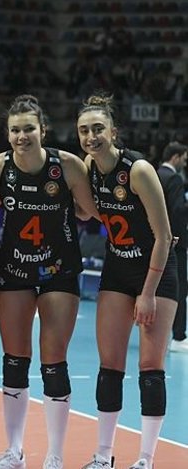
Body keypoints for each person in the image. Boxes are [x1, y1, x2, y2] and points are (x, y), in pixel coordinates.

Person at [0, 95, 98, 469]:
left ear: (42, 130)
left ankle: (54, 455)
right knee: (14, 359)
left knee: (54, 360)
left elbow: (91, 212)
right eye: (15, 130)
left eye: (29, 128)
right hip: (14, 269)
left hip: (58, 269)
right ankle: (14, 451)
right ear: (7, 134)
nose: (22, 136)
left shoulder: (67, 166)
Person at [78, 95, 178, 469]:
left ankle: (146, 459)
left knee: (150, 365)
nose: (91, 136)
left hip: (155, 270)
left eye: (98, 129)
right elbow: (92, 211)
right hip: (118, 268)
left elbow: (164, 237)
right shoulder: (89, 166)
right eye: (84, 130)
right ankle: (103, 455)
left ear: (114, 132)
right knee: (110, 365)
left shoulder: (138, 170)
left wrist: (148, 294)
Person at [155, 142, 188, 354]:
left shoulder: (154, 174)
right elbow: (177, 212)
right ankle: (178, 336)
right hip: (174, 244)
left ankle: (158, 334)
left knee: (156, 288)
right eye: (184, 159)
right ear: (175, 157)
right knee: (179, 288)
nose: (185, 163)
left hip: (153, 241)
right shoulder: (174, 179)